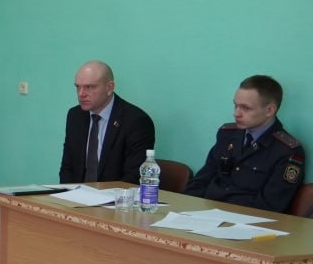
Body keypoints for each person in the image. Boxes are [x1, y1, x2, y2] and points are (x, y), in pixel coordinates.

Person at [184, 75, 304, 212]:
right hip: (206, 212)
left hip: (246, 220)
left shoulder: (287, 151)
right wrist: (184, 209)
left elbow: (270, 206)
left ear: (269, 110)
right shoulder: (227, 134)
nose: (236, 113)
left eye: (245, 108)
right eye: (235, 105)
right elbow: (200, 181)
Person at [59, 60, 155, 184]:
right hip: (77, 193)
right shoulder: (75, 116)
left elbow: (133, 177)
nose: (81, 94)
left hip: (114, 194)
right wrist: (67, 193)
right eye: (78, 87)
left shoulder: (136, 121)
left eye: (89, 87)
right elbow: (68, 168)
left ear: (109, 87)